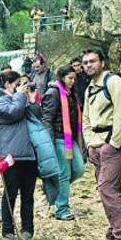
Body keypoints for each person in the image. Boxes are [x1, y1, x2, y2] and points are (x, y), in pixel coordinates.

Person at [81, 48, 121, 240]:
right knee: (110, 190)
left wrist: (112, 144)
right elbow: (86, 117)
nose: (88, 65)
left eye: (93, 61)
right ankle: (114, 235)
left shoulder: (114, 82)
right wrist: (89, 143)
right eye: (85, 62)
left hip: (113, 144)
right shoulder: (90, 88)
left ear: (102, 62)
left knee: (107, 188)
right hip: (96, 145)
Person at [0, 71, 37, 240]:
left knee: (28, 195)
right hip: (11, 155)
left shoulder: (21, 99)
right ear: (9, 84)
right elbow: (14, 112)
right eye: (19, 83)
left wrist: (31, 100)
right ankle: (8, 231)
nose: (23, 86)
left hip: (29, 154)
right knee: (10, 194)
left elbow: (38, 116)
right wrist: (20, 96)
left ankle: (27, 229)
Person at [41, 64, 85, 221]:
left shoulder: (71, 93)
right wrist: (49, 143)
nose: (72, 81)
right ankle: (62, 209)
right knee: (64, 174)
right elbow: (47, 119)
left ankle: (53, 188)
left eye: (74, 78)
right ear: (62, 77)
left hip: (71, 138)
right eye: (70, 78)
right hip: (59, 138)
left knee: (79, 169)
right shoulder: (53, 93)